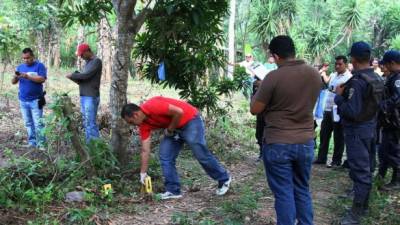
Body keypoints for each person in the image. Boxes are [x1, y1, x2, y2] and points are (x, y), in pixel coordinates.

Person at [251, 35, 321, 225]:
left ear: (275, 55)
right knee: (302, 188)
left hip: (278, 141)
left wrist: (259, 89)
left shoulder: (273, 77)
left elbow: (255, 109)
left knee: (283, 192)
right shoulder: (314, 74)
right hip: (306, 141)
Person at [121, 96, 231, 200]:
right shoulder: (143, 125)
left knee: (199, 151)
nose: (132, 125)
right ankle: (173, 190)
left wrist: (169, 130)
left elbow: (179, 112)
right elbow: (145, 150)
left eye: (131, 122)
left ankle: (224, 179)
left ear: (135, 115)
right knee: (165, 155)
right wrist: (143, 173)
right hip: (174, 128)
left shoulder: (153, 105)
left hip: (190, 120)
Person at [334, 41, 384, 225]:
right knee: (366, 168)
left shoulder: (357, 81)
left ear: (353, 59)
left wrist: (339, 98)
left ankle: (356, 213)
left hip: (357, 130)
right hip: (370, 128)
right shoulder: (377, 77)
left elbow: (352, 111)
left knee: (360, 169)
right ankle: (363, 206)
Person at [314, 56, 352, 168]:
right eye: (336, 64)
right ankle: (321, 157)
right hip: (328, 108)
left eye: (340, 64)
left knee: (338, 136)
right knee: (324, 134)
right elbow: (328, 88)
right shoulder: (334, 75)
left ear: (345, 64)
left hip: (338, 110)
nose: (337, 66)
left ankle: (336, 160)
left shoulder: (349, 77)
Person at [66, 43, 102, 143]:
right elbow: (83, 80)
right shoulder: (88, 63)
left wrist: (73, 75)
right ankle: (89, 145)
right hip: (85, 96)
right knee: (86, 122)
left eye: (82, 54)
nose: (81, 57)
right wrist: (74, 77)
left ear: (87, 51)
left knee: (90, 123)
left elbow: (85, 76)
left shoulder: (96, 61)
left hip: (90, 97)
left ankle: (95, 147)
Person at [12, 48, 47, 148]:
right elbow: (13, 82)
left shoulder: (39, 66)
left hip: (36, 100)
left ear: (32, 57)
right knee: (28, 123)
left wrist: (27, 76)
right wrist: (15, 77)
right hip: (23, 100)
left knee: (38, 123)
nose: (26, 60)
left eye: (28, 58)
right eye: (24, 58)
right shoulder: (20, 67)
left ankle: (41, 144)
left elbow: (42, 79)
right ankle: (32, 142)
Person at [377, 50, 400, 191]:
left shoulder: (397, 78)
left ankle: (396, 180)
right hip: (389, 122)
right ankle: (381, 177)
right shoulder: (393, 77)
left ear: (391, 63)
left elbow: (398, 98)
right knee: (385, 150)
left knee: (394, 151)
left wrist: (382, 106)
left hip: (395, 123)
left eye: (385, 64)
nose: (384, 67)